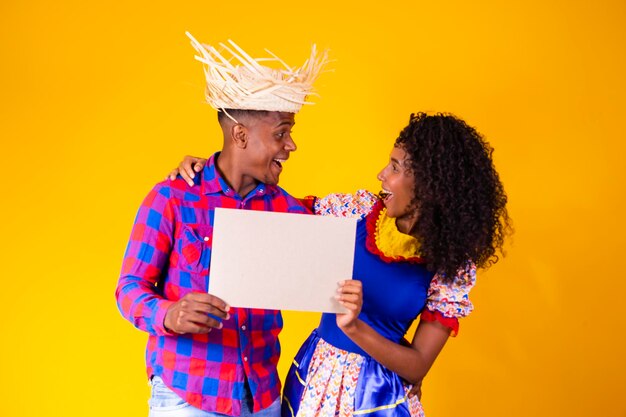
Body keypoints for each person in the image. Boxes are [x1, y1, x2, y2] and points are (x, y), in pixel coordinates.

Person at [170, 112, 511, 417]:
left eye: (394, 167)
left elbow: (418, 366)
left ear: (429, 184)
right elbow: (268, 214)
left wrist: (354, 327)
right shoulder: (356, 213)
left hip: (378, 399)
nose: (381, 175)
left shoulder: (452, 266)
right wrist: (215, 171)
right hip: (313, 383)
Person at [116, 32, 330, 417]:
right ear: (241, 135)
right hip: (187, 396)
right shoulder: (173, 197)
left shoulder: (288, 213)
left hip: (262, 397)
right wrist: (168, 314)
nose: (291, 145)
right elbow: (128, 288)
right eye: (281, 133)